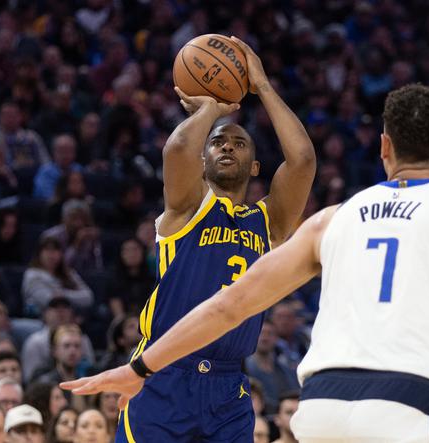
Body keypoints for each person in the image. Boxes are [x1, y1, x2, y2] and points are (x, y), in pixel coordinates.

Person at [62, 84, 429, 442]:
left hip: (321, 408)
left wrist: (138, 369)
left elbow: (230, 304)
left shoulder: (332, 218)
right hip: (408, 408)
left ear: (383, 147)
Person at [67, 36, 315, 442]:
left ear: (255, 167)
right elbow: (179, 146)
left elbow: (303, 159)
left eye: (238, 143)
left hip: (229, 386)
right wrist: (212, 108)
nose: (227, 147)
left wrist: (263, 85)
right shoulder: (187, 207)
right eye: (218, 142)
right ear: (204, 160)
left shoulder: (268, 223)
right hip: (163, 372)